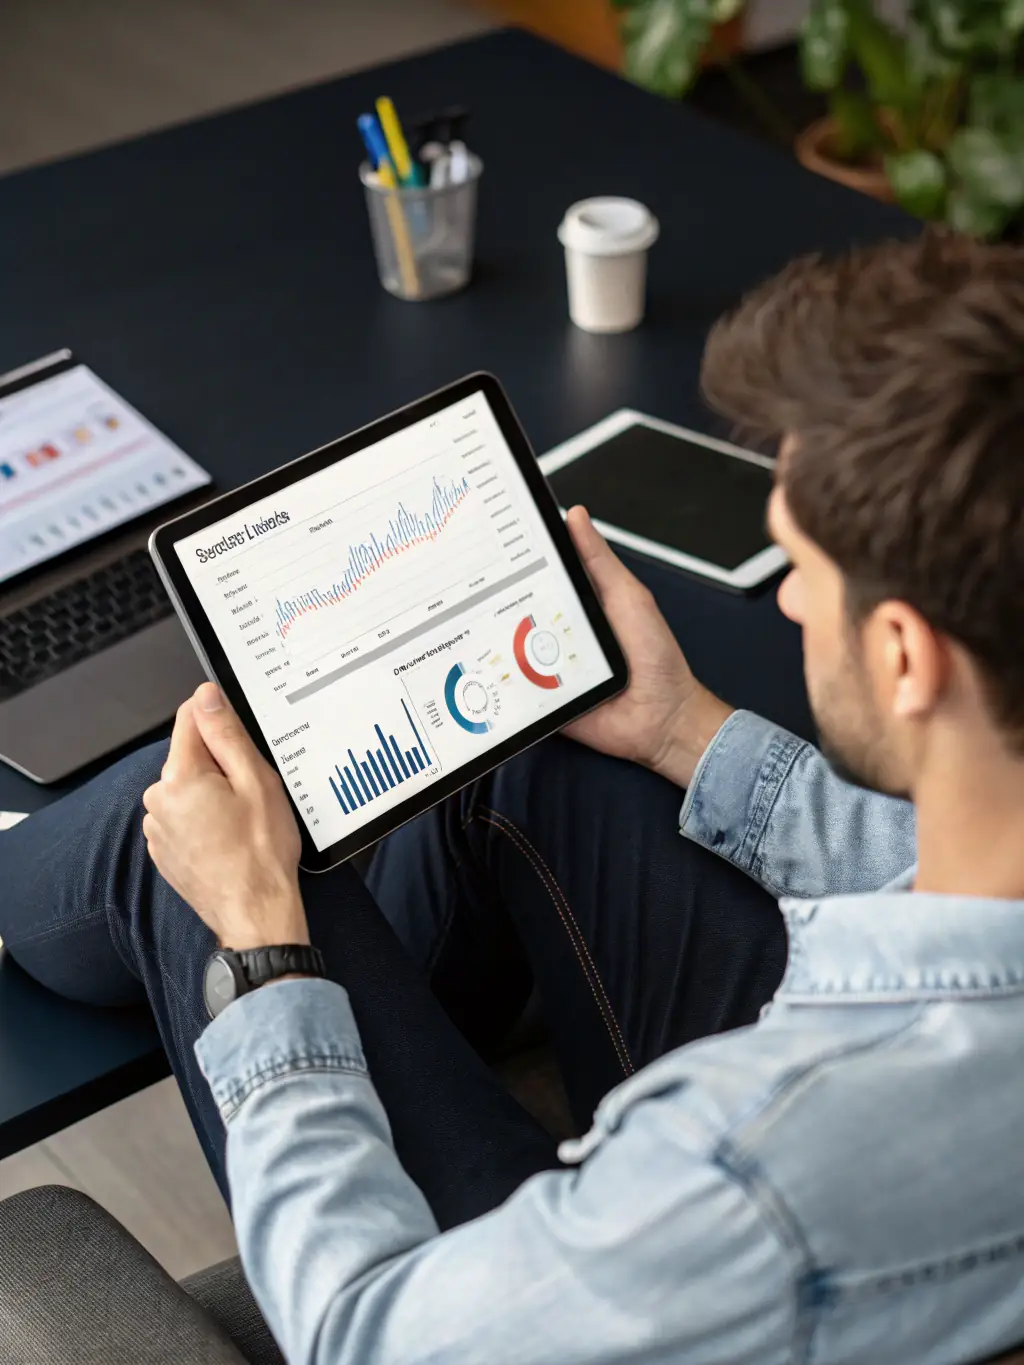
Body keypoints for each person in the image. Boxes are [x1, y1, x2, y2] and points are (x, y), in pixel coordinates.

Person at [2, 229, 1023, 1365]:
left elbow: (359, 1335)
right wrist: (683, 728)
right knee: (533, 738)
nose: (787, 601)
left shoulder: (742, 1168)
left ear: (903, 654)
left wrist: (264, 952)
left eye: (804, 570)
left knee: (189, 828)